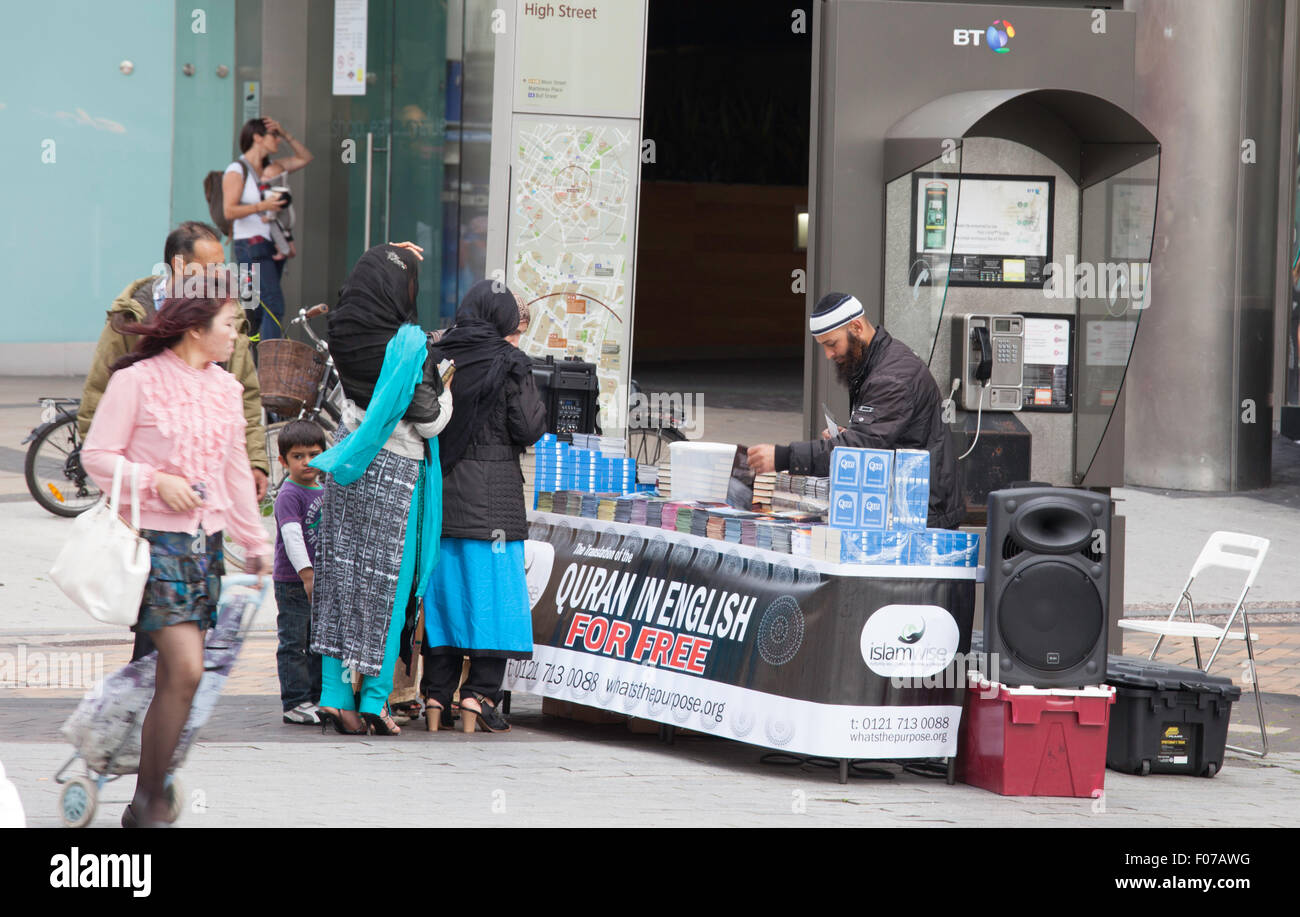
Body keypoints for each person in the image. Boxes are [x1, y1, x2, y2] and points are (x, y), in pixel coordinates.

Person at [80, 281, 270, 827]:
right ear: (196, 330)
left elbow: (235, 476)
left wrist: (254, 544)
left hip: (202, 548)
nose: (238, 335)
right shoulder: (136, 382)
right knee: (185, 669)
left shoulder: (228, 390)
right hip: (151, 545)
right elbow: (97, 455)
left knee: (175, 678)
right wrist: (154, 480)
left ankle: (147, 798)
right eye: (231, 324)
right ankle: (150, 801)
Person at [309, 242, 452, 736]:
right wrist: (447, 387)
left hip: (348, 461)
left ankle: (332, 695)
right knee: (387, 588)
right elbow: (430, 422)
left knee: (341, 580)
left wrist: (385, 252)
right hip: (396, 469)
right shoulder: (410, 346)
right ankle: (373, 699)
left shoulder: (345, 328)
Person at [421, 280, 547, 733]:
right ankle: (477, 696)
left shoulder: (438, 354)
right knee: (494, 599)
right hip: (495, 503)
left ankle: (436, 697)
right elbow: (528, 427)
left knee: (446, 598)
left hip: (443, 495)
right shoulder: (510, 362)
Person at [79, 221, 269, 500]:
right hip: (145, 498)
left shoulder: (228, 320)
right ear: (180, 267)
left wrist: (254, 463)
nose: (219, 277)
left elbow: (247, 398)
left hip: (208, 492)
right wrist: (118, 480)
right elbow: (98, 393)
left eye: (222, 267)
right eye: (210, 269)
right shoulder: (131, 318)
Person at [747, 291, 960, 529]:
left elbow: (859, 449)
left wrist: (783, 457)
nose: (829, 354)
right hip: (909, 506)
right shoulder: (879, 361)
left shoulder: (892, 376)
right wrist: (849, 433)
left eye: (831, 344)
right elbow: (878, 435)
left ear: (856, 327)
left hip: (921, 517)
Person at [223, 117, 313, 342]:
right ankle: (268, 366)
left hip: (270, 245)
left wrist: (285, 132)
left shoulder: (271, 168)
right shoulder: (237, 170)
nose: (278, 141)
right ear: (257, 137)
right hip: (249, 246)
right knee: (273, 303)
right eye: (274, 136)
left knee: (259, 308)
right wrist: (263, 206)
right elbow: (229, 211)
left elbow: (305, 157)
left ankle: (250, 357)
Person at [272, 420, 327, 725]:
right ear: (283, 461)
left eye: (314, 454)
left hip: (316, 580)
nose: (307, 462)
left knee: (317, 641)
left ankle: (316, 698)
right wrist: (307, 574)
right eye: (298, 456)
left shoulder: (322, 487)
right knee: (294, 642)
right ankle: (295, 702)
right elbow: (292, 536)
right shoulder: (289, 494)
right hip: (294, 581)